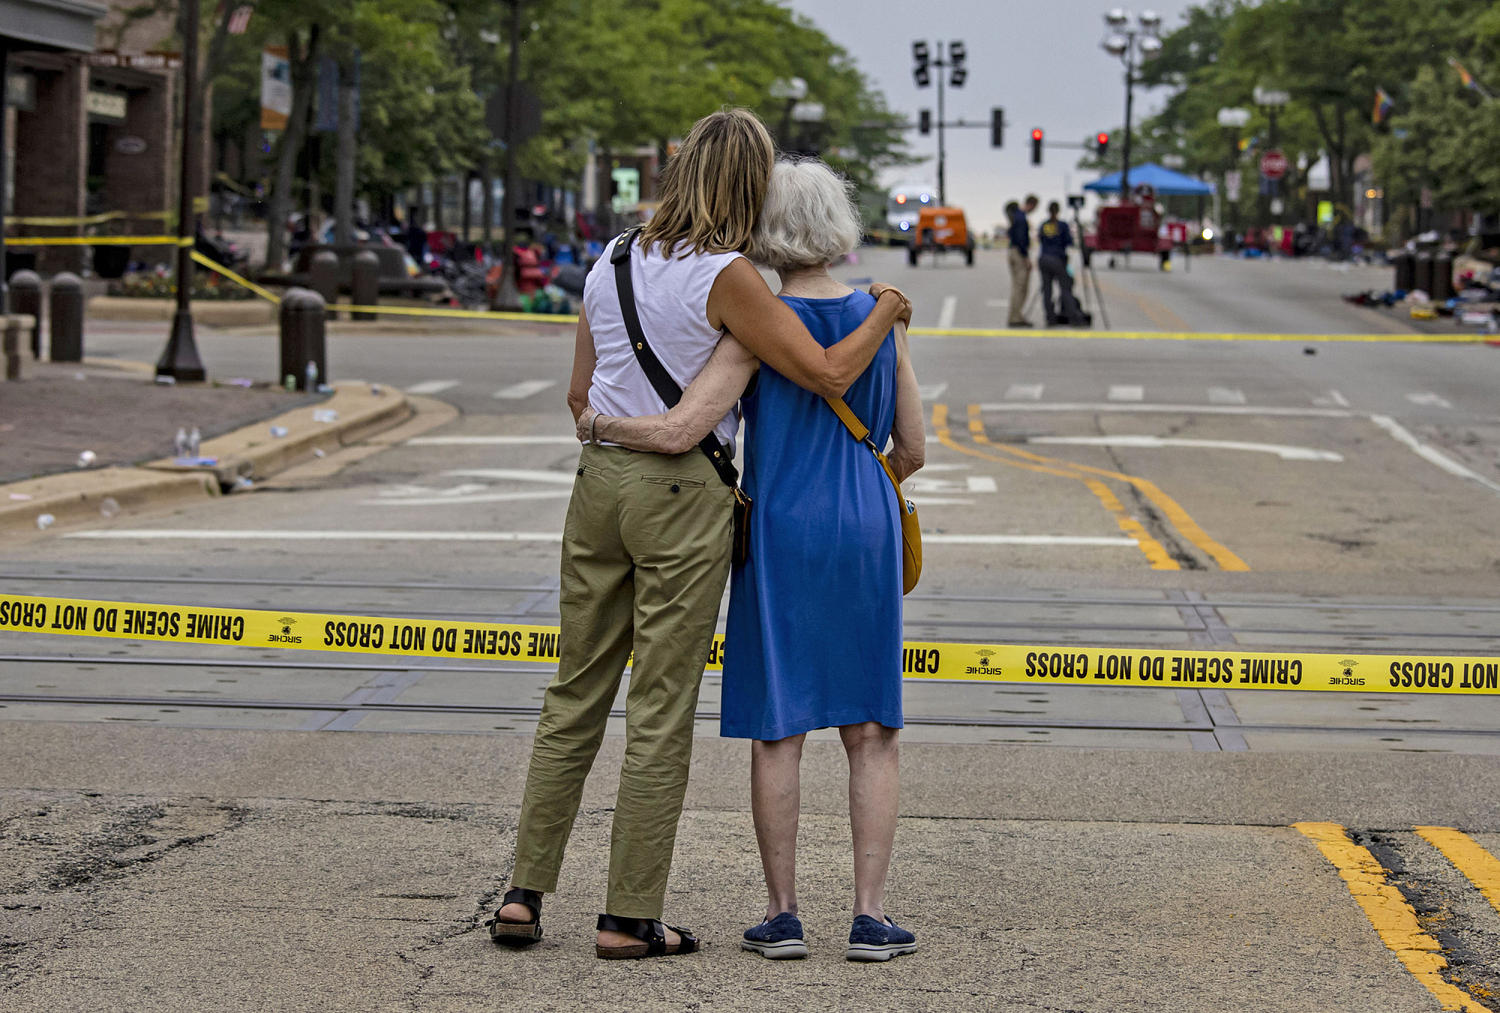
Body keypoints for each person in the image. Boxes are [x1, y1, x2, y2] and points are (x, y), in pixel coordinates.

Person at [487, 110, 912, 961]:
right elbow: (826, 371)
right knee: (660, 704)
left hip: (597, 489)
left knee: (575, 691)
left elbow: (581, 397)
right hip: (678, 495)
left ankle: (523, 894)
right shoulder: (731, 278)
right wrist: (891, 306)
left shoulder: (609, 259)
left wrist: (607, 433)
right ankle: (628, 915)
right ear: (747, 185)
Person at [1037, 201, 1076, 326]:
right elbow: (1069, 242)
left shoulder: (1044, 225)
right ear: (1058, 211)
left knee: (1047, 290)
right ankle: (1073, 316)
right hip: (1057, 259)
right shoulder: (1062, 225)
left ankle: (1050, 318)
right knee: (1065, 288)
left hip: (1044, 259)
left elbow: (1041, 239)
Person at [1007, 194, 1038, 326]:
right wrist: (1026, 258)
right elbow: (1021, 239)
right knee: (1020, 287)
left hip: (1013, 251)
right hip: (1018, 253)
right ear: (1032, 204)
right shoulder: (1021, 218)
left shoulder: (1016, 216)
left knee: (1017, 286)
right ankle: (1015, 317)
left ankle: (1016, 315)